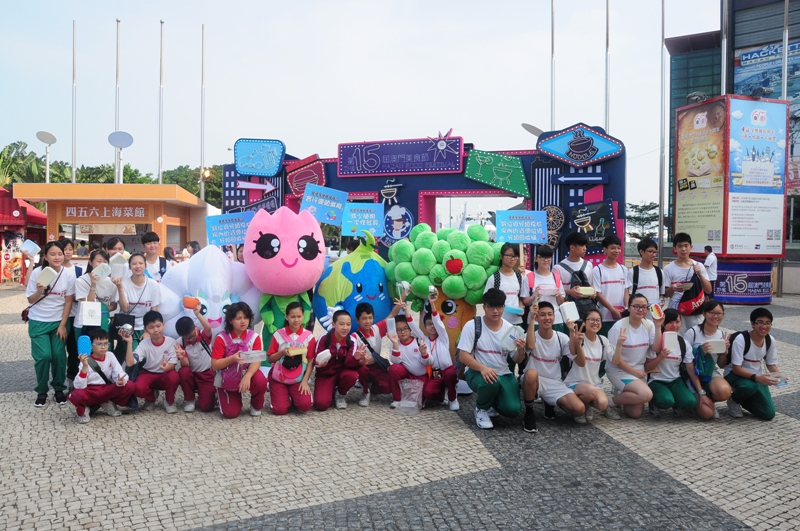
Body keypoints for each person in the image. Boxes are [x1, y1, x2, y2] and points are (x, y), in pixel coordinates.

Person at [456, 288, 527, 430]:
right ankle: (481, 409)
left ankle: (491, 402)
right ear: (484, 307)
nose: (495, 311)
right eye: (491, 307)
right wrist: (482, 368)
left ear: (504, 307)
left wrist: (520, 350)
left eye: (499, 307)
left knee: (512, 410)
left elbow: (517, 360)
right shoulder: (473, 326)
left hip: (504, 373)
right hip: (477, 372)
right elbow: (463, 355)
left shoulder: (510, 329)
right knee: (490, 382)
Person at [26, 241, 76, 407]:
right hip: (38, 321)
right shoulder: (37, 273)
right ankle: (41, 391)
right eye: (53, 254)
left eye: (60, 254)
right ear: (45, 256)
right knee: (44, 356)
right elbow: (30, 299)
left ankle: (59, 389)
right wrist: (40, 290)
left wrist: (63, 325)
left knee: (59, 356)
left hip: (59, 322)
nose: (57, 257)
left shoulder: (68, 274)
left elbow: (68, 301)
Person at [523, 302, 586, 428]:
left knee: (579, 409)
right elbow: (529, 346)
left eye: (550, 314)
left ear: (554, 317)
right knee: (530, 373)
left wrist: (576, 341)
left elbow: (580, 361)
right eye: (542, 315)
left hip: (554, 382)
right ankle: (529, 412)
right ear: (537, 318)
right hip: (535, 380)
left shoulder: (561, 337)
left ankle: (551, 403)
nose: (547, 318)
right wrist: (531, 318)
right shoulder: (531, 335)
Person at [645, 309, 713, 419]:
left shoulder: (682, 343)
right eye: (670, 322)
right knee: (665, 400)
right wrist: (661, 357)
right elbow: (647, 367)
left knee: (690, 402)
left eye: (677, 322)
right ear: (663, 323)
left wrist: (701, 392)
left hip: (675, 380)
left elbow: (690, 369)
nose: (674, 325)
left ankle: (677, 402)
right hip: (656, 380)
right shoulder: (656, 341)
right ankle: (654, 402)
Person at [604, 293, 663, 420]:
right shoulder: (618, 327)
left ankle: (622, 392)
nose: (640, 310)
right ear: (629, 307)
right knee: (646, 394)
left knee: (634, 413)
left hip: (638, 371)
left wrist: (658, 327)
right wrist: (634, 372)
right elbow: (615, 359)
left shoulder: (649, 325)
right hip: (619, 371)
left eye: (644, 307)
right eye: (636, 306)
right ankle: (608, 402)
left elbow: (656, 348)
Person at [210, 301, 268, 417]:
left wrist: (247, 376)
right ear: (230, 320)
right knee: (230, 413)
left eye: (246, 318)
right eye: (239, 318)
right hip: (227, 375)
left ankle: (256, 404)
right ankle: (220, 396)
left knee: (260, 380)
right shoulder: (222, 338)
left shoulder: (254, 337)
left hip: (246, 372)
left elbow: (257, 360)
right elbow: (215, 365)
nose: (243, 321)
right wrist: (232, 359)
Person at [723, 308, 782, 420]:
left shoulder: (770, 340)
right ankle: (734, 400)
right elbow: (736, 369)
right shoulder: (742, 339)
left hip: (757, 377)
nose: (764, 326)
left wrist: (778, 376)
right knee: (749, 386)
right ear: (752, 324)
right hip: (735, 375)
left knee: (768, 414)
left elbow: (770, 364)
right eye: (760, 322)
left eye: (767, 323)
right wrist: (758, 378)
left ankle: (744, 399)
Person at [68, 328, 135, 423]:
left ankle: (107, 402)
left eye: (106, 343)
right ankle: (84, 410)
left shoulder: (110, 355)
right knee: (76, 394)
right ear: (91, 346)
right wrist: (85, 367)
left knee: (129, 385)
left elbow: (119, 372)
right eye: (99, 344)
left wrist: (120, 380)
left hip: (105, 388)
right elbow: (79, 386)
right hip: (89, 391)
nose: (103, 347)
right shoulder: (85, 360)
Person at [407, 294, 459, 410]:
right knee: (429, 392)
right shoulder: (423, 340)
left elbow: (438, 322)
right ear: (425, 327)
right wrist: (406, 309)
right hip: (435, 373)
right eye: (429, 324)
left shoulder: (443, 337)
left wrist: (432, 303)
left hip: (447, 370)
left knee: (451, 374)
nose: (432, 326)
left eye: (434, 324)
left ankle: (452, 398)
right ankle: (442, 394)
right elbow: (413, 326)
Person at [683, 300, 733, 418]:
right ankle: (696, 399)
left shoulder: (721, 335)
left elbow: (721, 365)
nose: (715, 316)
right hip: (692, 374)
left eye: (719, 313)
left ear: (723, 315)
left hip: (710, 372)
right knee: (707, 415)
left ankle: (709, 399)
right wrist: (700, 352)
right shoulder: (692, 333)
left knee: (725, 391)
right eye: (712, 313)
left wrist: (725, 352)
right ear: (704, 314)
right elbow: (683, 360)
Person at [266, 302, 317, 415]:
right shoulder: (278, 335)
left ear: (303, 316)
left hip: (298, 378)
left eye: (299, 316)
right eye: (293, 317)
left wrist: (305, 381)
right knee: (280, 410)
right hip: (279, 377)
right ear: (286, 316)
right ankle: (281, 395)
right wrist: (282, 352)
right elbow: (270, 359)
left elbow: (310, 361)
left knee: (305, 406)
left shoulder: (309, 336)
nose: (296, 320)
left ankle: (293, 397)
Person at [563, 308, 612, 422]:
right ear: (584, 322)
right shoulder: (578, 337)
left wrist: (620, 344)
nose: (595, 323)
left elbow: (614, 360)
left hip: (594, 383)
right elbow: (572, 352)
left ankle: (587, 406)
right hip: (575, 382)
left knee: (603, 404)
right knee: (590, 392)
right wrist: (573, 336)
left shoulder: (602, 340)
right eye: (592, 320)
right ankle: (577, 409)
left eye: (598, 320)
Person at [126, 311, 180, 413]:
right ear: (145, 329)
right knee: (137, 387)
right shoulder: (144, 344)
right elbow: (130, 363)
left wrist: (166, 367)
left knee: (174, 376)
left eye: (158, 326)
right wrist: (129, 343)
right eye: (151, 327)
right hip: (148, 373)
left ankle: (169, 401)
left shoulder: (172, 342)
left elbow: (172, 365)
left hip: (165, 373)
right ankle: (150, 399)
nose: (155, 330)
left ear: (163, 325)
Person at [351, 300, 402, 407]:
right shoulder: (354, 337)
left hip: (376, 366)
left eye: (370, 318)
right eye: (364, 318)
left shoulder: (377, 328)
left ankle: (373, 388)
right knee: (362, 370)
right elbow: (352, 360)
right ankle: (365, 392)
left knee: (387, 386)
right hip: (363, 367)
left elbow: (392, 315)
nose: (368, 321)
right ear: (357, 320)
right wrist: (361, 361)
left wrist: (403, 297)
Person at [310, 309, 363, 411]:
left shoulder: (351, 341)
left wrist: (355, 358)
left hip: (341, 372)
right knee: (321, 405)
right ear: (333, 324)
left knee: (352, 375)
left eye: (348, 324)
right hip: (325, 374)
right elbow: (315, 360)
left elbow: (349, 365)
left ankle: (340, 394)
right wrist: (320, 364)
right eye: (341, 324)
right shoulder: (324, 338)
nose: (345, 328)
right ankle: (330, 391)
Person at [664, 232, 712, 334]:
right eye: (680, 246)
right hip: (676, 310)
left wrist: (699, 273)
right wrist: (673, 288)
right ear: (675, 248)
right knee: (676, 338)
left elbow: (708, 289)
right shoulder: (668, 268)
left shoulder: (699, 266)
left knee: (697, 335)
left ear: (691, 247)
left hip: (695, 309)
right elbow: (665, 294)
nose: (683, 249)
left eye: (686, 245)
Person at [74, 249, 125, 337]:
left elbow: (113, 305)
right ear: (90, 262)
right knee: (85, 350)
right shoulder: (81, 281)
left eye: (105, 261)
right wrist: (93, 284)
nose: (102, 264)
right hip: (83, 324)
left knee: (103, 349)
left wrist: (99, 312)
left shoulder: (111, 282)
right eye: (99, 261)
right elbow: (88, 305)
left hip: (103, 323)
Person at [387, 315, 435, 407]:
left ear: (410, 329)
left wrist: (424, 353)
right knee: (393, 368)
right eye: (399, 330)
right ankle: (397, 399)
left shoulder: (419, 341)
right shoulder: (394, 344)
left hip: (422, 377)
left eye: (405, 328)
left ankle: (443, 396)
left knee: (425, 396)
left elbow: (429, 362)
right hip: (407, 376)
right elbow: (395, 361)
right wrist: (395, 343)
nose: (403, 332)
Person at [174, 309, 215, 413]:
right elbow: (185, 365)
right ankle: (189, 400)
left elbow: (208, 327)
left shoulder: (203, 336)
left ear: (195, 328)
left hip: (206, 374)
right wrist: (182, 357)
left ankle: (211, 395)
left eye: (192, 336)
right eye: (187, 338)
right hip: (191, 375)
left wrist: (197, 313)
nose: (191, 339)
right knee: (183, 371)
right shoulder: (180, 343)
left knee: (206, 407)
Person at [120, 253, 161, 351]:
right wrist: (119, 287)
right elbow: (125, 308)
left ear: (145, 266)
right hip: (128, 327)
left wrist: (148, 331)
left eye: (141, 263)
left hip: (146, 326)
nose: (138, 266)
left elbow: (154, 310)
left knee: (146, 357)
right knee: (133, 357)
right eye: (134, 264)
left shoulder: (153, 284)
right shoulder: (123, 284)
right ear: (129, 267)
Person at [484, 243, 529, 326]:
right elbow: (486, 300)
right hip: (499, 322)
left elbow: (521, 297)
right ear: (501, 256)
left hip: (516, 322)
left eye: (515, 256)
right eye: (509, 255)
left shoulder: (519, 277)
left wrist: (521, 309)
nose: (513, 259)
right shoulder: (494, 278)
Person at [554, 232, 597, 319]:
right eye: (582, 246)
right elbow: (555, 291)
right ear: (572, 247)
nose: (585, 249)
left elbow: (591, 285)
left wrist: (593, 293)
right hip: (568, 308)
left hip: (587, 308)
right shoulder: (558, 268)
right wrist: (570, 292)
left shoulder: (589, 265)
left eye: (585, 246)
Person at [591, 235, 628, 336]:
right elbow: (598, 294)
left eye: (618, 248)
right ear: (605, 249)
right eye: (613, 248)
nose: (616, 251)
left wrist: (627, 308)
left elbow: (626, 290)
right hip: (604, 316)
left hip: (622, 315)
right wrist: (612, 309)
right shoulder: (597, 270)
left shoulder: (623, 269)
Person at [59, 238, 82, 390]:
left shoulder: (78, 270)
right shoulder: (52, 270)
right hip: (56, 315)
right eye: (64, 250)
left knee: (74, 349)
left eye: (69, 249)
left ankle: (72, 377)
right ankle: (58, 380)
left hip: (74, 314)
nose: (67, 252)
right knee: (59, 351)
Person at [526, 245, 566, 332]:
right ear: (536, 258)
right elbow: (525, 301)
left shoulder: (556, 277)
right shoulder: (529, 277)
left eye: (548, 257)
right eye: (542, 257)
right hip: (536, 319)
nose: (546, 260)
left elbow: (560, 301)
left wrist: (558, 295)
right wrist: (534, 296)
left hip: (555, 319)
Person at [626, 237, 664, 316]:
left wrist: (661, 301)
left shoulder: (659, 272)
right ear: (641, 252)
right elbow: (629, 295)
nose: (653, 254)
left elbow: (661, 294)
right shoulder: (633, 272)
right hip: (638, 315)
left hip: (654, 315)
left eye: (655, 252)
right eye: (650, 251)